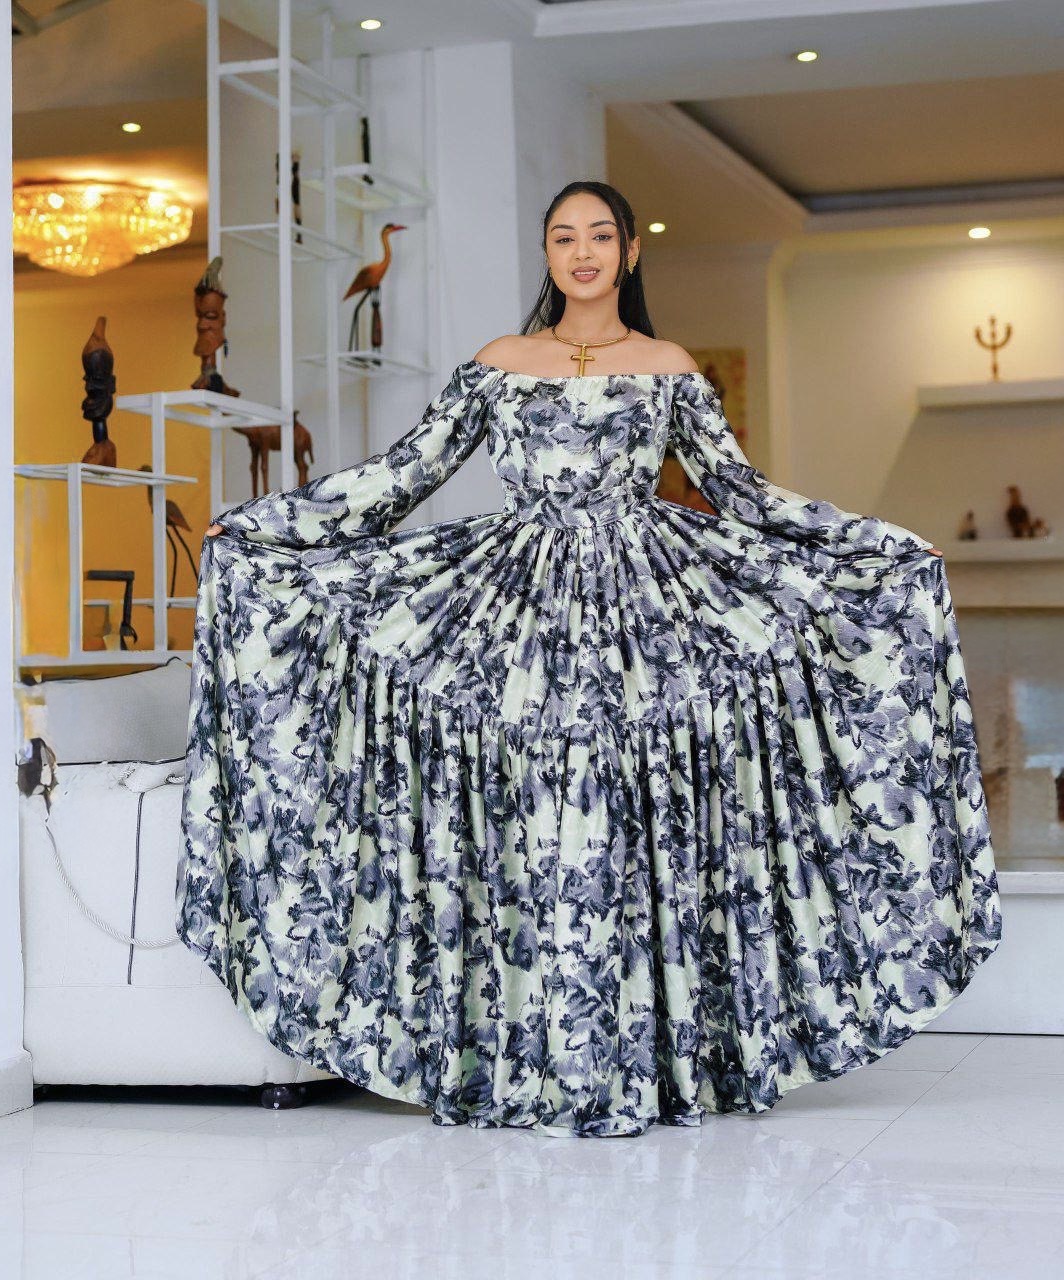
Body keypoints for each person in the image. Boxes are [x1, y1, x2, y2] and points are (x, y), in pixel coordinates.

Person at [180, 179, 1001, 1140]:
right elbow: (401, 478)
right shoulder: (500, 363)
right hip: (512, 611)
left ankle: (651, 1052)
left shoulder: (667, 366)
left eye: (600, 236)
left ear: (630, 252)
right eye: (564, 237)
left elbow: (742, 494)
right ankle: (524, 1050)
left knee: (640, 806)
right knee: (526, 816)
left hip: (650, 611)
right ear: (547, 253)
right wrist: (269, 528)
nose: (582, 252)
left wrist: (876, 547)